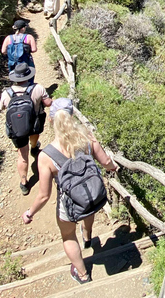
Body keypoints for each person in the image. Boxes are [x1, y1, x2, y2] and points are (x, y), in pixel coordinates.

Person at [21, 103, 119, 285]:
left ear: (50, 121)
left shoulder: (46, 156)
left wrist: (30, 213)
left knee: (68, 236)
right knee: (87, 210)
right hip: (92, 196)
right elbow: (106, 162)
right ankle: (88, 236)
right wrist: (114, 167)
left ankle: (82, 274)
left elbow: (44, 195)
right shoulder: (88, 138)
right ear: (72, 115)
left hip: (69, 204)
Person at [0, 63, 52, 195]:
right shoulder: (37, 88)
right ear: (29, 75)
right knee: (34, 136)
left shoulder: (7, 93)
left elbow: (1, 107)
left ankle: (24, 182)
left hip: (17, 128)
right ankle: (34, 147)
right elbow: (48, 103)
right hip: (34, 124)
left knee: (22, 155)